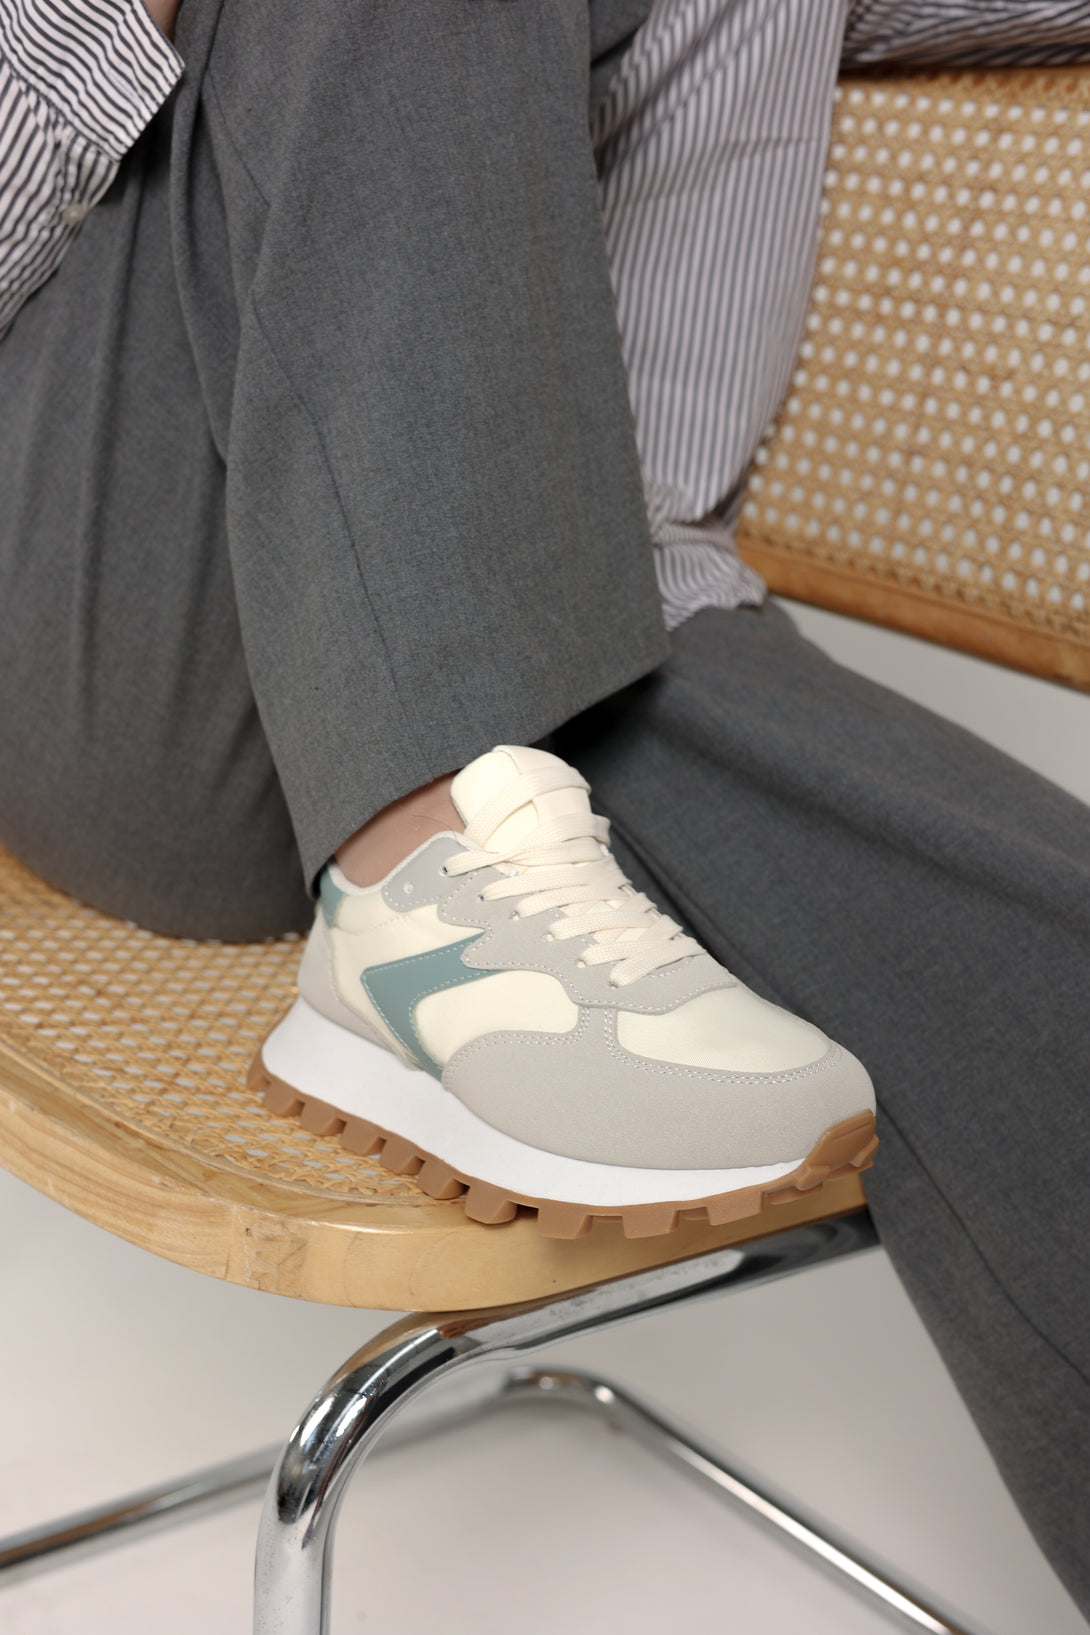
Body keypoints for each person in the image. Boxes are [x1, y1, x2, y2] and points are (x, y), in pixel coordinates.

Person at [2, 0, 1089, 1614]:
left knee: (1043, 976)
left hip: (594, 605)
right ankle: (412, 852)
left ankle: (439, 848)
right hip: (104, 599)